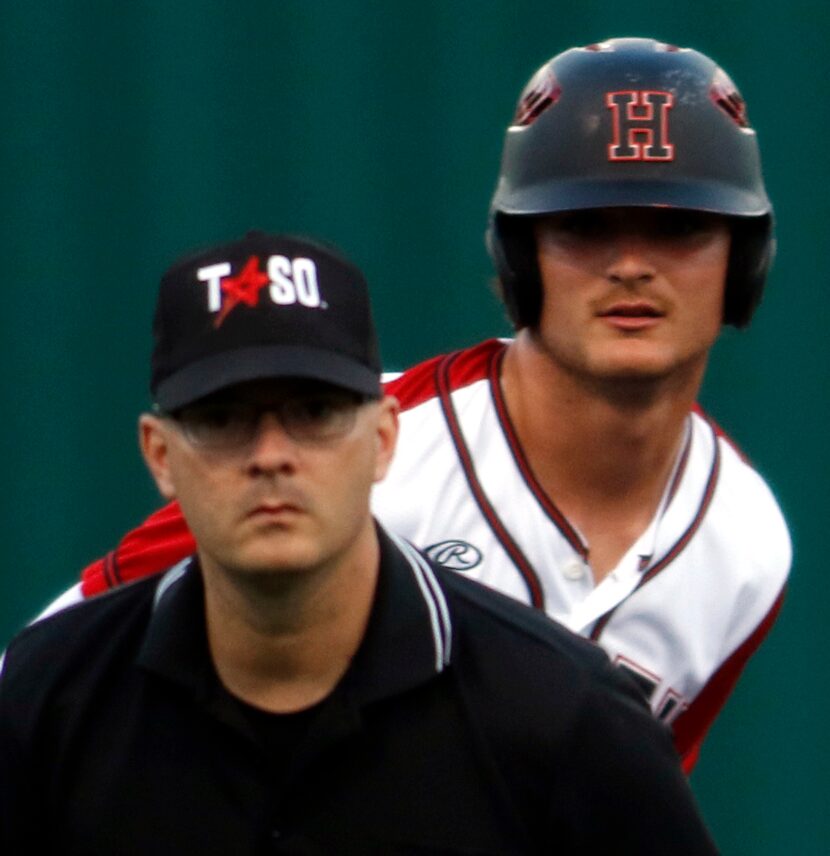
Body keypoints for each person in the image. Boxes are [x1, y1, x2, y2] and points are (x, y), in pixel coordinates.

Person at [43, 37, 790, 773]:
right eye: (584, 226)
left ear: (745, 260)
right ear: (518, 258)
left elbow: (626, 808)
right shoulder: (358, 442)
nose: (631, 264)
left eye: (680, 226)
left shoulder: (744, 547)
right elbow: (44, 671)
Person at [0, 231, 718, 854]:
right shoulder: (49, 701)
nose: (272, 455)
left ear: (384, 439)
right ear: (160, 455)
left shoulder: (565, 715)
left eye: (315, 412)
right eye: (222, 419)